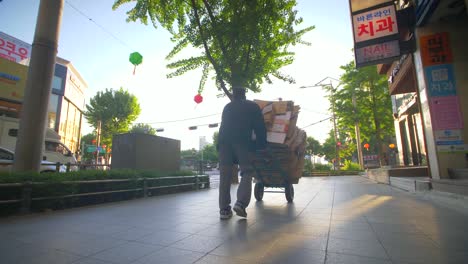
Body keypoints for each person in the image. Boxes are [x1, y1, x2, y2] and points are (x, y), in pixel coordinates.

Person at [217, 87, 267, 219]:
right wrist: (261, 145)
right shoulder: (252, 106)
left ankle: (224, 210)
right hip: (242, 142)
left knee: (225, 175)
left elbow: (223, 126)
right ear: (245, 95)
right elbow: (260, 126)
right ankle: (240, 203)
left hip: (224, 143)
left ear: (233, 95)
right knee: (247, 171)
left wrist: (218, 146)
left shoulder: (227, 107)